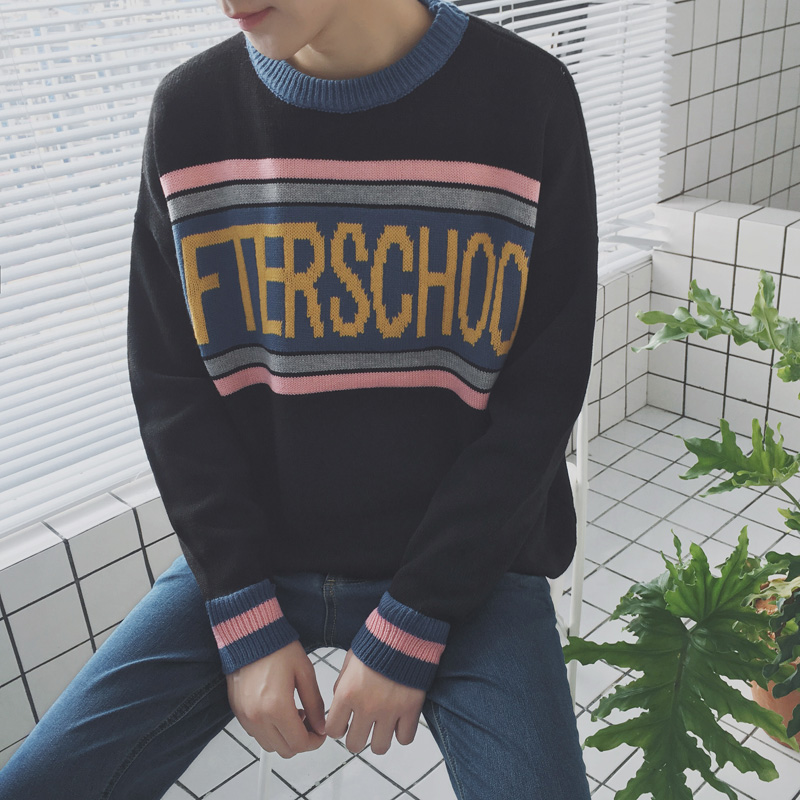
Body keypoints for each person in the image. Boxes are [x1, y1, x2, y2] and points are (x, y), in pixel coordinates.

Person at [0, 0, 598, 796]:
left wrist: (417, 614)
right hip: (258, 559)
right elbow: (173, 390)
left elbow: (542, 398)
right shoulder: (191, 114)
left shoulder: (529, 99)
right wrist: (243, 615)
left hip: (470, 568)